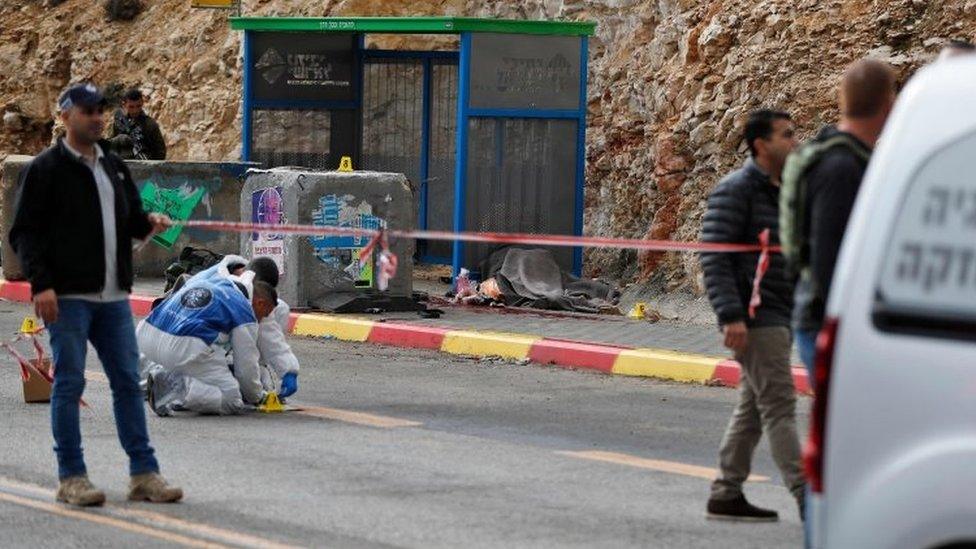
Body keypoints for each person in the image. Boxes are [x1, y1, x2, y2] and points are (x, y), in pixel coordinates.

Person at [9, 82, 182, 507]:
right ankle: (71, 477)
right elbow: (26, 233)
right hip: (67, 297)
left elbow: (129, 221)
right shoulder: (46, 169)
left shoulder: (113, 166)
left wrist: (148, 224)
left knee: (126, 382)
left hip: (113, 298)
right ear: (65, 115)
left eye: (100, 110)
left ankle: (143, 474)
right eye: (87, 110)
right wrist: (42, 285)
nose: (97, 117)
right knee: (68, 384)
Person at [700, 109, 804, 521]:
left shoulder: (780, 190)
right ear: (761, 145)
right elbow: (715, 257)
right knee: (779, 404)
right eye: (787, 135)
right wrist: (731, 315)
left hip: (779, 312)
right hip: (756, 316)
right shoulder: (737, 189)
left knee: (754, 406)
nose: (795, 142)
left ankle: (726, 493)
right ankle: (807, 496)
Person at [783, 59, 896, 381]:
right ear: (888, 105)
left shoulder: (836, 154)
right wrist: (856, 334)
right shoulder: (841, 168)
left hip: (820, 323)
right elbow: (827, 260)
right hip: (830, 331)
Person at [136, 271, 278, 416]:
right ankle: (175, 388)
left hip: (146, 334)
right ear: (260, 303)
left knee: (208, 366)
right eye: (265, 314)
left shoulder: (211, 282)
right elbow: (245, 366)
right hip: (183, 344)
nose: (261, 321)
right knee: (232, 400)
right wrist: (258, 397)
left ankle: (166, 383)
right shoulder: (244, 310)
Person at [247, 256, 299, 399]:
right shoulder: (232, 295)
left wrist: (289, 370)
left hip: (252, 364)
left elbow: (272, 340)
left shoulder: (274, 307)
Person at [109, 88, 166, 160]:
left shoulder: (150, 124)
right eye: (131, 107)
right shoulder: (120, 122)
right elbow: (111, 146)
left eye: (138, 106)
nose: (135, 110)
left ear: (142, 103)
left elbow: (160, 152)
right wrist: (118, 139)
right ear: (124, 105)